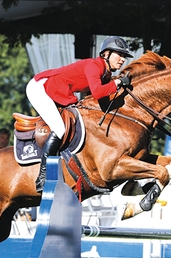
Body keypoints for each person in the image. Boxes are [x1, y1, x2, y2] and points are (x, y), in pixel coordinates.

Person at [26, 36, 133, 192]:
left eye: (124, 56)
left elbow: (103, 101)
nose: (122, 59)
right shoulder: (93, 66)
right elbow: (97, 92)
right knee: (59, 128)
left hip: (58, 91)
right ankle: (43, 176)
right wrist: (117, 83)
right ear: (106, 54)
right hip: (40, 88)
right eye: (119, 54)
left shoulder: (106, 74)